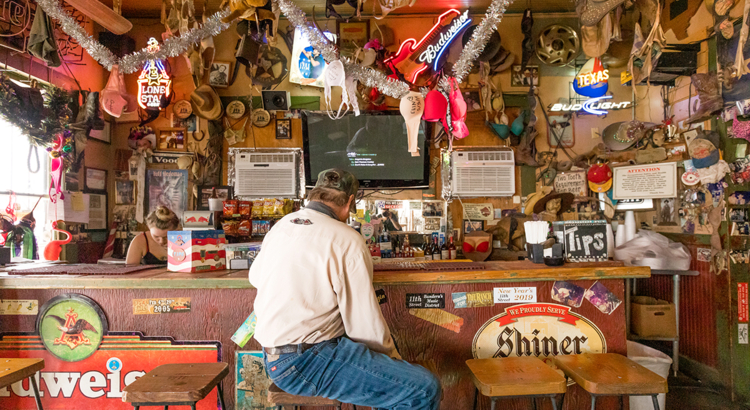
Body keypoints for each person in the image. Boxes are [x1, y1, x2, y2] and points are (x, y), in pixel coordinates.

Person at [249, 168, 441, 410]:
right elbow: (362, 321)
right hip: (307, 360)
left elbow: (255, 277)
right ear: (350, 201)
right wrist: (393, 361)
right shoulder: (346, 238)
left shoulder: (282, 226)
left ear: (314, 194)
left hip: (274, 356)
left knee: (398, 382)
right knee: (423, 389)